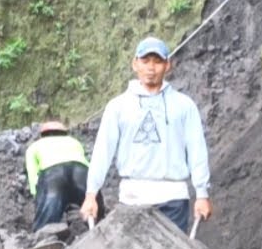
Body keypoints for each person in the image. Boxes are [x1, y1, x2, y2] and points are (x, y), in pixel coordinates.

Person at [80, 36, 212, 231]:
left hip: (173, 198)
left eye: (157, 61)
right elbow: (103, 151)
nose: (151, 68)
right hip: (132, 199)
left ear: (168, 65)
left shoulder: (184, 106)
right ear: (135, 64)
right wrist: (91, 194)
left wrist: (202, 194)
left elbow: (196, 150)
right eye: (145, 61)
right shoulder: (118, 107)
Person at [24, 121, 102, 231]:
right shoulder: (75, 142)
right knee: (94, 210)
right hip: (81, 172)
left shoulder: (33, 147)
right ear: (65, 133)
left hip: (53, 175)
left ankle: (44, 237)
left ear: (42, 135)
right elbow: (86, 164)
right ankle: (100, 226)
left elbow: (33, 176)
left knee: (45, 226)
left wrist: (38, 197)